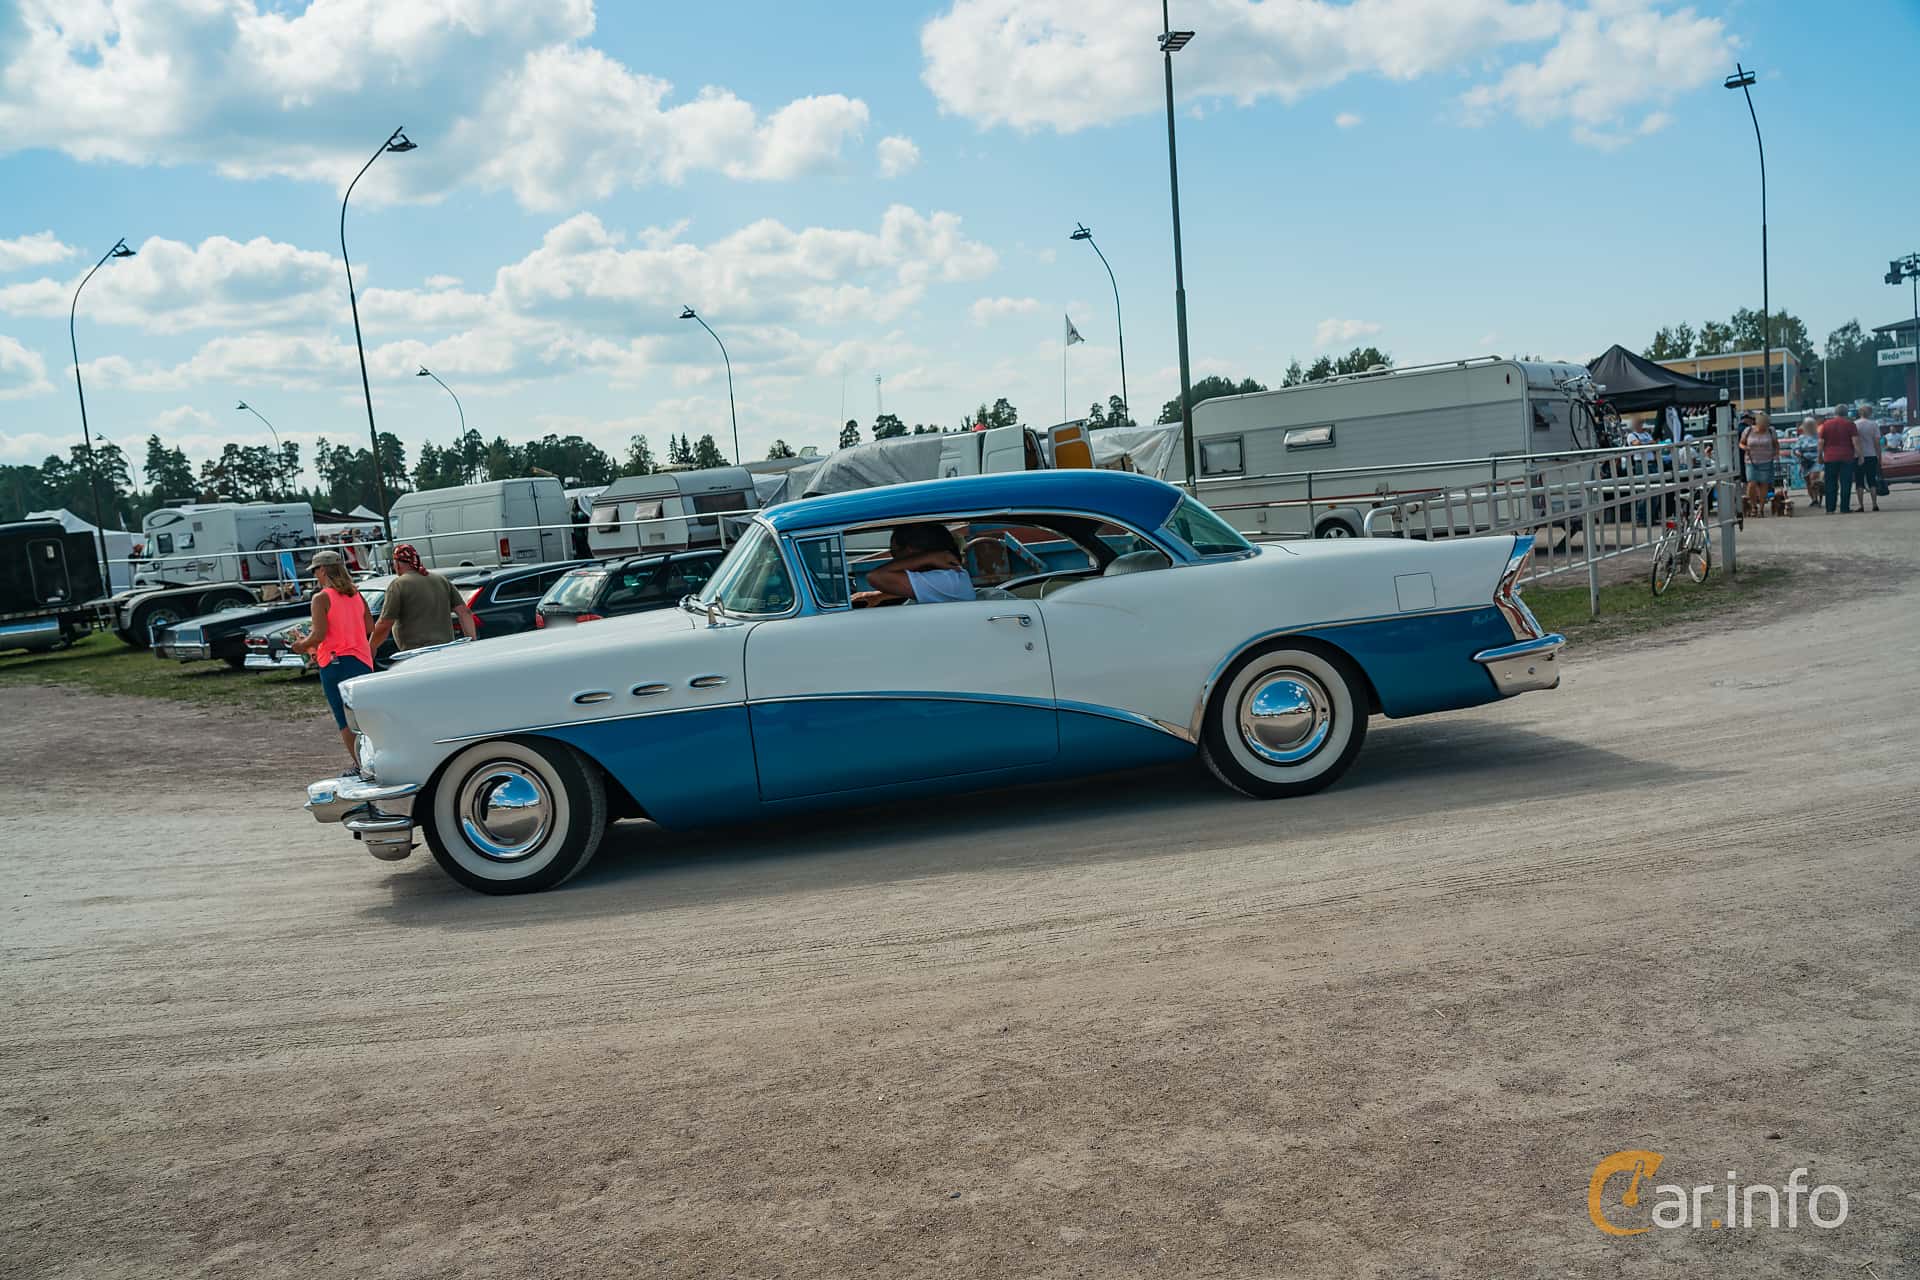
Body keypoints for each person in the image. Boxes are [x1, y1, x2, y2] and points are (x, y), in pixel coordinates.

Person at [291, 549, 375, 773]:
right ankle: (375, 759)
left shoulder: (321, 598)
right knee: (365, 716)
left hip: (334, 662)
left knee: (344, 718)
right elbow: (369, 628)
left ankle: (360, 765)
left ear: (323, 570)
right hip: (362, 659)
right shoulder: (356, 594)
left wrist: (300, 645)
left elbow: (318, 635)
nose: (315, 575)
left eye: (315, 570)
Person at [370, 542, 476, 653]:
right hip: (446, 649)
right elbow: (464, 612)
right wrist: (472, 642)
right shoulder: (441, 580)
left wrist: (371, 647)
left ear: (397, 564)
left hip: (417, 652)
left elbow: (385, 623)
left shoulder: (398, 584)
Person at [853, 523, 975, 606]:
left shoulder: (947, 579)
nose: (896, 562)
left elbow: (876, 576)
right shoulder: (946, 578)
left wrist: (929, 557)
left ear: (912, 552)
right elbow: (929, 588)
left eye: (896, 554)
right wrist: (879, 596)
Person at [1817, 406, 1859, 515]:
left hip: (1830, 457)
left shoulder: (1826, 425)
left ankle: (1830, 508)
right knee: (1846, 483)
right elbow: (1855, 441)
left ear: (1835, 413)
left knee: (1830, 483)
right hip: (1847, 457)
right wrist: (1860, 455)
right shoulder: (1850, 425)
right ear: (1846, 413)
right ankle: (1844, 508)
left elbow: (1821, 443)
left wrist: (1819, 456)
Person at [1738, 410, 1780, 514]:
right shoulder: (1748, 431)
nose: (1764, 427)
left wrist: (1776, 454)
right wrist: (1745, 447)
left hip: (1767, 460)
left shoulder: (1771, 431)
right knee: (1751, 483)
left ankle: (1761, 507)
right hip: (1751, 461)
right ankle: (1753, 506)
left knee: (1764, 484)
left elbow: (1776, 444)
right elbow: (1741, 443)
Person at [1853, 409, 1883, 512]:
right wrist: (1879, 455)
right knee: (1872, 480)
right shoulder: (1874, 424)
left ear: (1860, 413)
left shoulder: (1855, 424)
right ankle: (1874, 504)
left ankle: (1861, 505)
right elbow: (1877, 442)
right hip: (1871, 454)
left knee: (1859, 481)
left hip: (1858, 455)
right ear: (1870, 413)